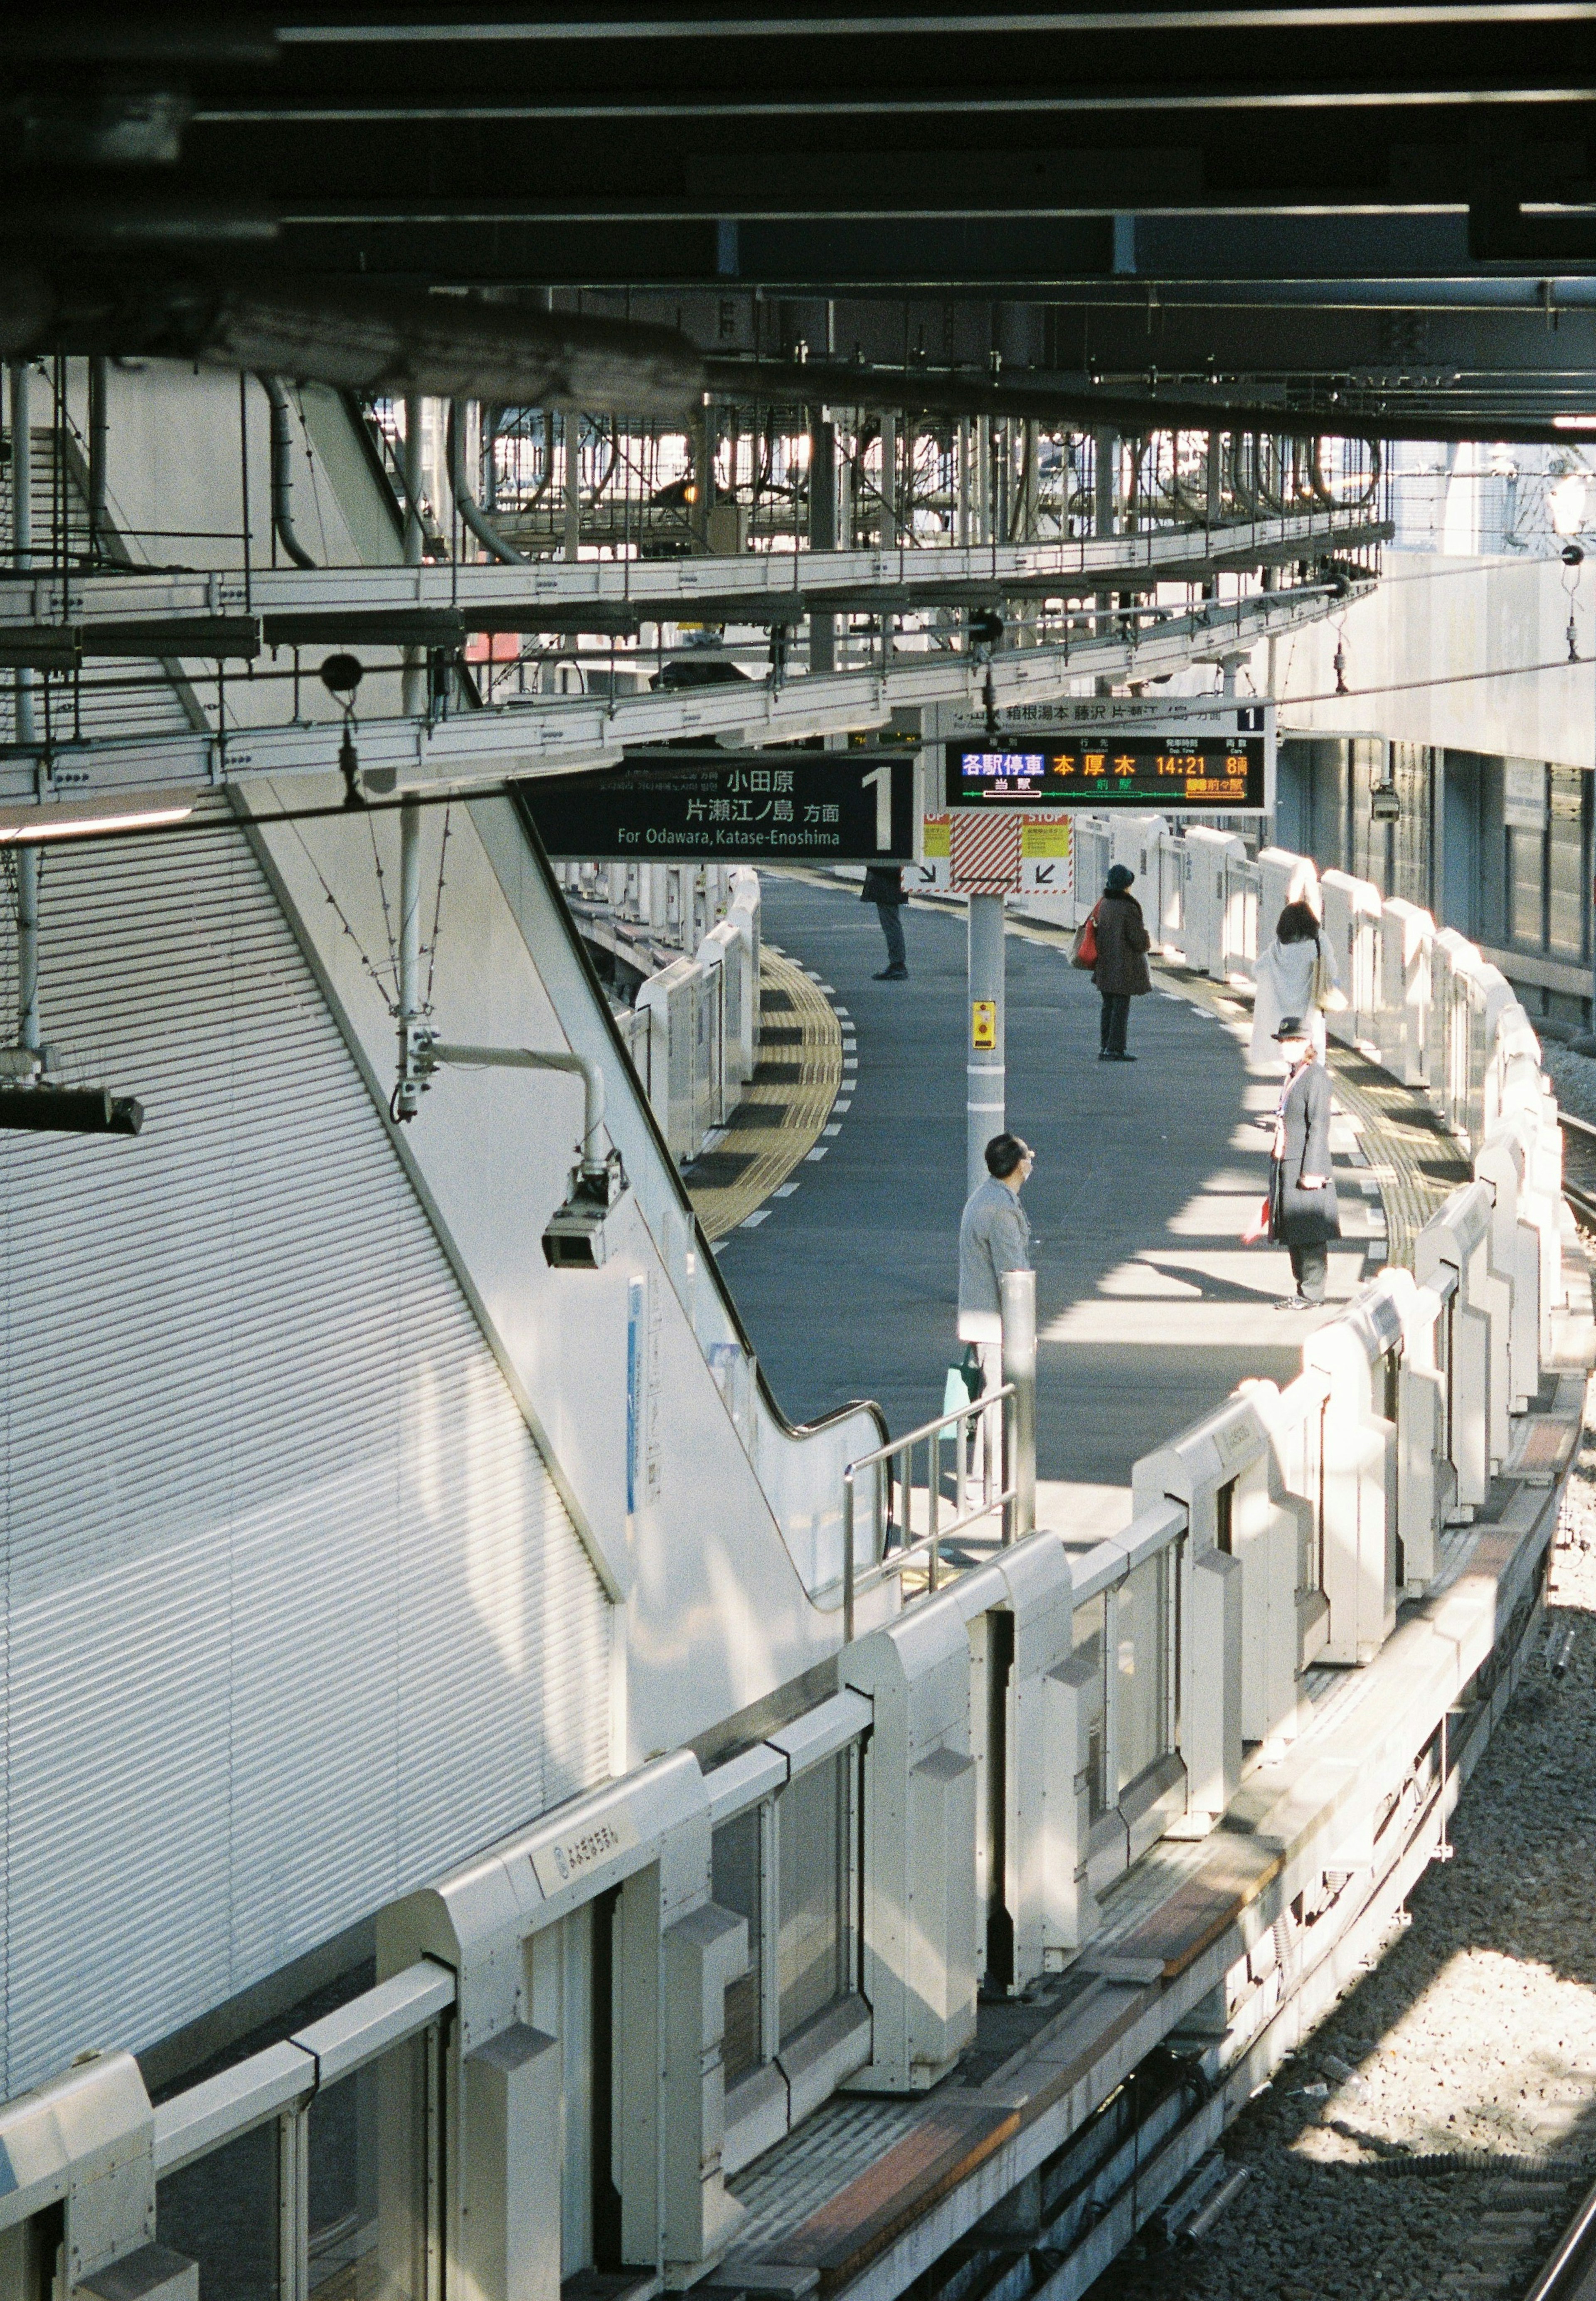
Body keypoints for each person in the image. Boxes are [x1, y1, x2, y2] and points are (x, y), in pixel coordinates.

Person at [1265, 1014, 1340, 1307]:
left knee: (1309, 1230)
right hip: (1288, 1162)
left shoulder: (1316, 1078)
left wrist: (1313, 1171)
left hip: (1305, 1164)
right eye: (1284, 1042)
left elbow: (1319, 1127)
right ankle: (1303, 1290)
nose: (1286, 1048)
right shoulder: (1296, 1075)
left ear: (1307, 1044)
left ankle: (1312, 1293)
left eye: (1293, 1042)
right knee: (1295, 1229)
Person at [958, 1132, 1034, 1382]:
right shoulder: (1000, 1208)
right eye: (1029, 1158)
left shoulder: (987, 1195)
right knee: (996, 1401)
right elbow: (1013, 1275)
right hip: (994, 1328)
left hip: (983, 1323)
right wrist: (1022, 1331)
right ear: (1020, 1165)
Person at [1251, 897, 1340, 1067]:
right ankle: (1312, 1083)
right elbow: (1332, 972)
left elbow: (1257, 970)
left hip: (1284, 1015)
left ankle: (1294, 1078)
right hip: (1311, 1011)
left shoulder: (1278, 947)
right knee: (1315, 1056)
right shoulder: (1319, 942)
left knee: (1291, 1054)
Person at [1092, 863, 1152, 1060]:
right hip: (1123, 967)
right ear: (1126, 885)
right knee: (1120, 1007)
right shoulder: (1128, 907)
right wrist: (1146, 937)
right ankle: (1116, 1049)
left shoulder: (1105, 904)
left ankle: (1105, 1046)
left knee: (1108, 1006)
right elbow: (1138, 941)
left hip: (1105, 965)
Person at [862, 864, 908, 980]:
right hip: (889, 888)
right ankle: (897, 965)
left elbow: (892, 867)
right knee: (891, 926)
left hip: (888, 888)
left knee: (892, 927)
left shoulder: (892, 853)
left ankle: (898, 966)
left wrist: (873, 864)